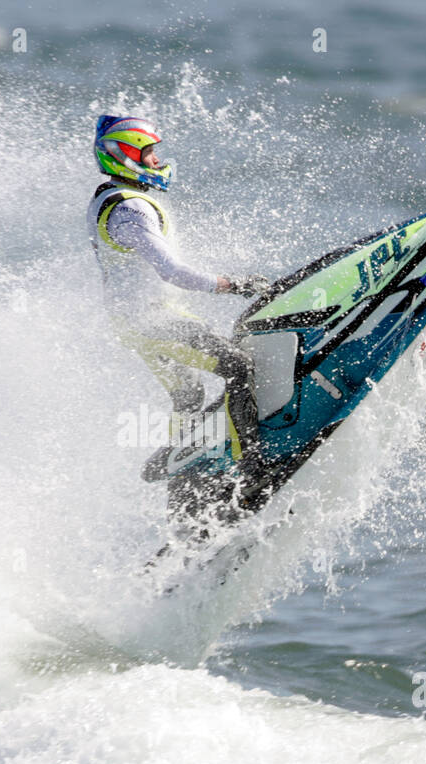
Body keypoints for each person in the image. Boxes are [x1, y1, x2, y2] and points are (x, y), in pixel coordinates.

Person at [86, 114, 270, 522]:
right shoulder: (131, 210)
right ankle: (253, 469)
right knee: (239, 369)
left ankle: (183, 494)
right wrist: (233, 284)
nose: (156, 161)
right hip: (153, 323)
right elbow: (173, 272)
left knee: (188, 399)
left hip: (139, 321)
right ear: (124, 156)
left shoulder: (107, 197)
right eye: (148, 153)